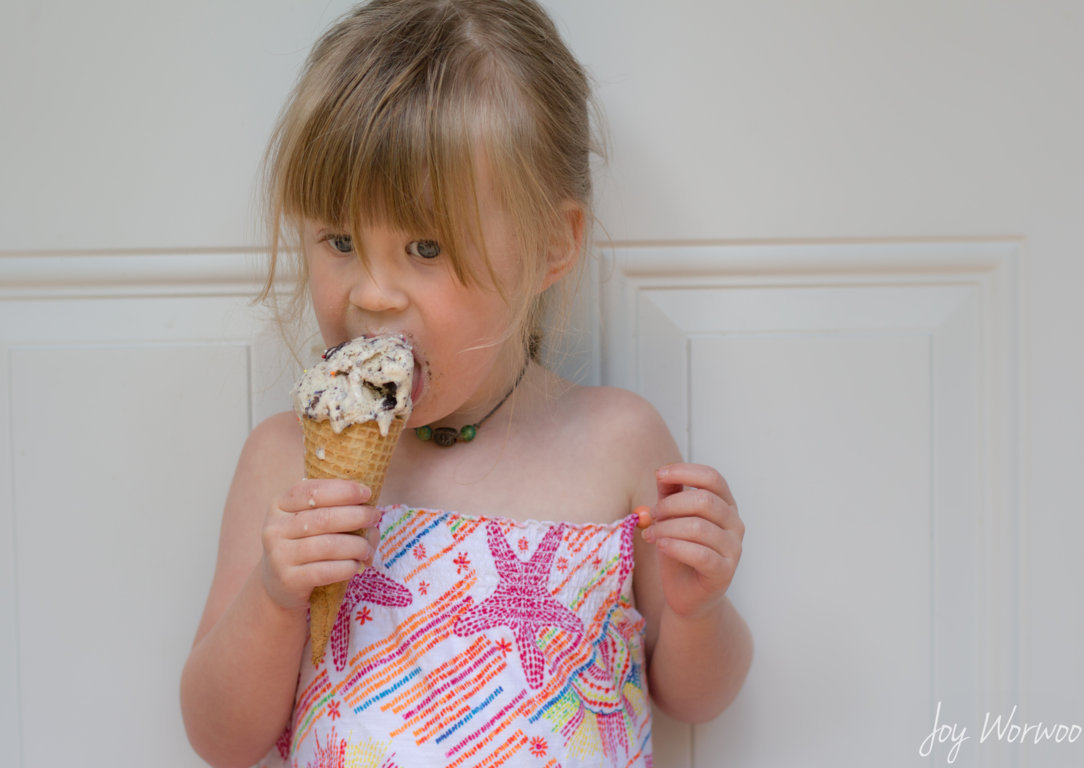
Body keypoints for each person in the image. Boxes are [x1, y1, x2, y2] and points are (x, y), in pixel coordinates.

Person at [180, 0, 752, 765]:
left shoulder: (619, 444)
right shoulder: (285, 464)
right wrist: (275, 597)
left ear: (551, 244)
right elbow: (220, 739)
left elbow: (697, 699)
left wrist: (699, 609)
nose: (373, 294)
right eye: (340, 240)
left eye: (425, 248)